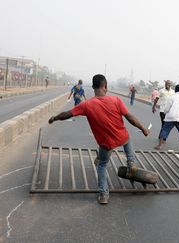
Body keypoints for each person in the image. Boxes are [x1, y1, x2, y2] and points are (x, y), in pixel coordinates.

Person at [48, 74, 153, 205]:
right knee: (126, 138)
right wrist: (143, 128)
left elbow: (67, 114)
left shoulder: (86, 105)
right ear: (105, 86)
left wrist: (54, 118)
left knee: (102, 165)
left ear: (93, 87)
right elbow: (130, 117)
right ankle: (131, 162)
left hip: (106, 143)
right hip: (122, 138)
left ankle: (104, 194)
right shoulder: (116, 100)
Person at [155, 85, 179, 151]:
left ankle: (160, 145)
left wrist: (165, 112)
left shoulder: (171, 97)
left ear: (175, 90)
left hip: (171, 117)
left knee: (165, 130)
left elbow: (167, 108)